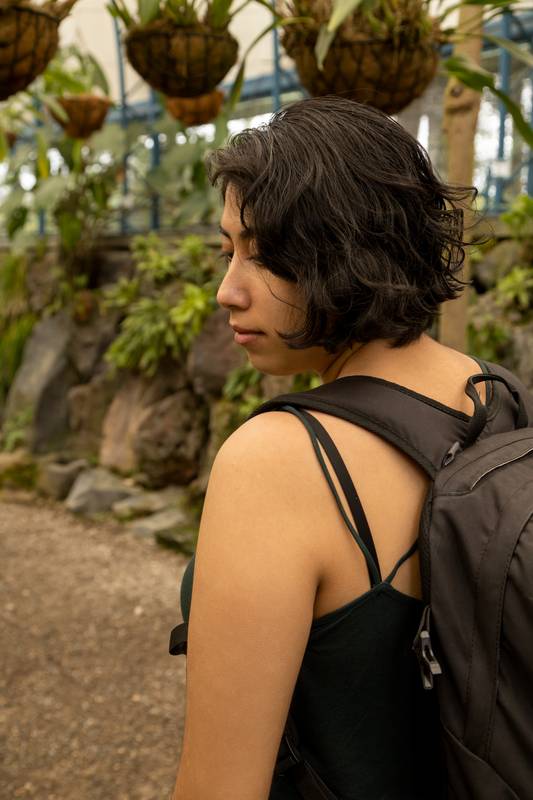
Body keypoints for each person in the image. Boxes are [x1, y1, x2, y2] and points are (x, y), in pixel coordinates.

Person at [170, 96, 489, 800]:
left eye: (267, 255)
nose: (227, 291)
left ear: (349, 251)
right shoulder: (493, 396)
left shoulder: (280, 461)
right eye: (229, 252)